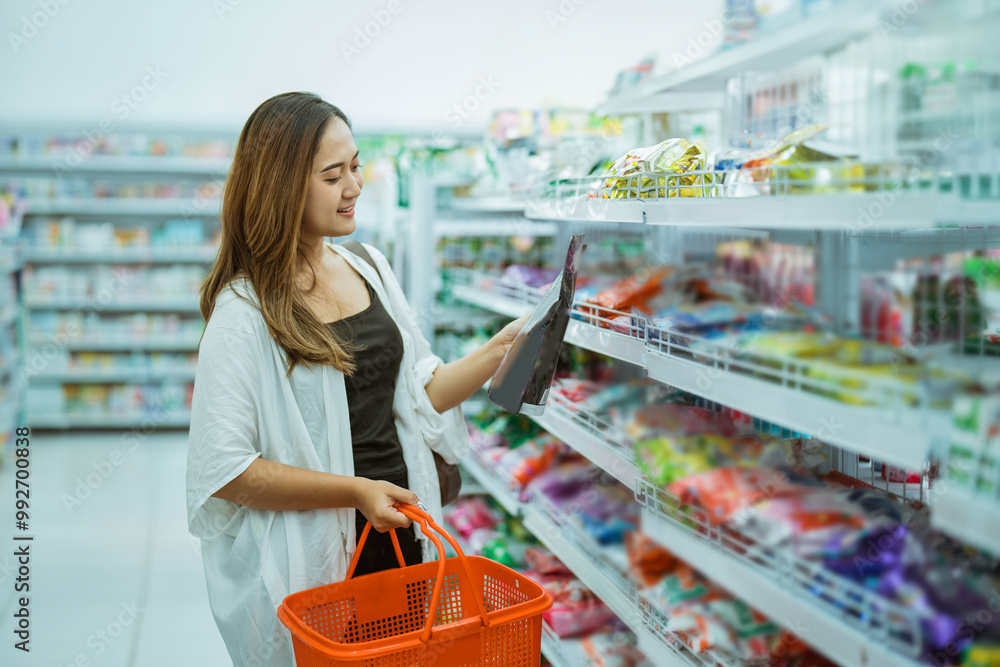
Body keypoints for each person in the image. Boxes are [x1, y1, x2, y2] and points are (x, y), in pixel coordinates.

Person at [185, 91, 526, 667]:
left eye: (356, 166)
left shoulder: (365, 264)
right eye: (332, 174)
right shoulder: (245, 311)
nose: (354, 186)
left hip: (402, 533)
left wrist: (497, 353)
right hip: (322, 555)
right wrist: (355, 493)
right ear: (282, 184)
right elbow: (226, 471)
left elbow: (417, 393)